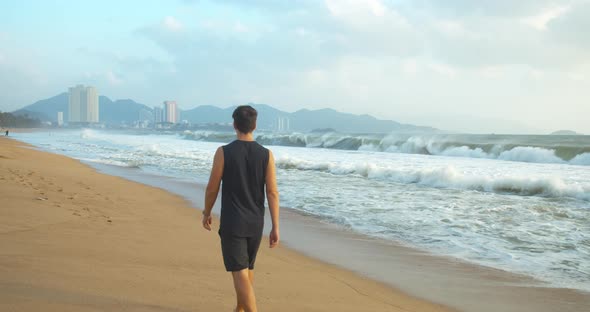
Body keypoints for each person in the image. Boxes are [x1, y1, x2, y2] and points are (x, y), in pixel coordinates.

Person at [202, 105, 280, 312]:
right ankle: (240, 309)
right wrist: (275, 226)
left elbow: (212, 188)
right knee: (247, 268)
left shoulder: (224, 152)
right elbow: (272, 192)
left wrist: (206, 212)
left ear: (234, 125)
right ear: (254, 126)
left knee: (239, 270)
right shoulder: (267, 155)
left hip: (233, 222)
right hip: (256, 222)